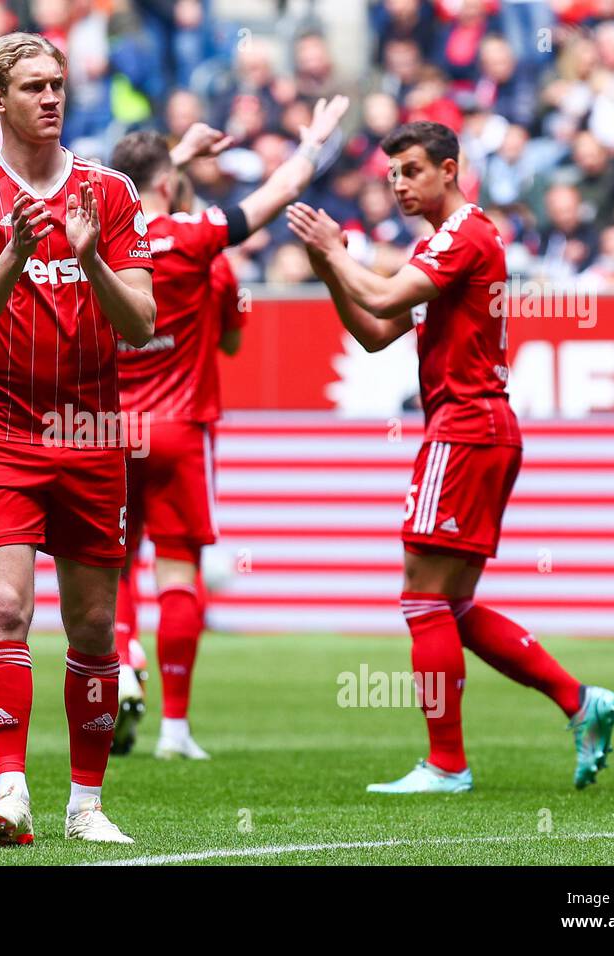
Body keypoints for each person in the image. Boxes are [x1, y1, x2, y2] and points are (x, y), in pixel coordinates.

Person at [287, 119, 614, 793]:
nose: (399, 184)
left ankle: (446, 764)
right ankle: (579, 701)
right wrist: (330, 266)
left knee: (421, 597)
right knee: (452, 604)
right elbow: (378, 332)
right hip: (480, 428)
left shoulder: (464, 235)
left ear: (449, 168)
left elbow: (379, 296)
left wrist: (335, 251)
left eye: (412, 170)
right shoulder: (445, 242)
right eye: (392, 174)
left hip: (464, 427)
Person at [0, 32, 155, 846]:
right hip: (1, 428)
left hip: (93, 431)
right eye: (34, 87)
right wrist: (17, 255)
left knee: (95, 629)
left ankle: (87, 805)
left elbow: (141, 323)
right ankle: (12, 792)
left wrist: (91, 261)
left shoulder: (113, 191)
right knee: (4, 607)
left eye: (58, 84)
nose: (52, 98)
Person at [106, 97, 348, 759]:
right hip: (181, 427)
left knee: (110, 565)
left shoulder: (96, 240)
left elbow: (122, 194)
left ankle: (123, 661)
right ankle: (176, 730)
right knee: (180, 569)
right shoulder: (200, 244)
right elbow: (281, 190)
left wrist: (172, 157)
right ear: (166, 184)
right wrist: (312, 142)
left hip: (106, 431)